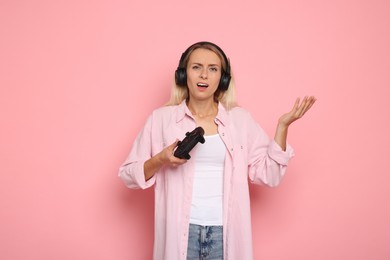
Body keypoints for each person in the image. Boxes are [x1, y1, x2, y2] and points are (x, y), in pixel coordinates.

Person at [118, 41, 316, 260]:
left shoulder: (240, 121)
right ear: (184, 75)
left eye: (213, 69)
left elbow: (270, 175)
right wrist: (160, 159)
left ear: (222, 79)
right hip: (182, 233)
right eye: (196, 67)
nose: (204, 75)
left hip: (225, 234)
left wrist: (282, 127)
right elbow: (128, 175)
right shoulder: (161, 119)